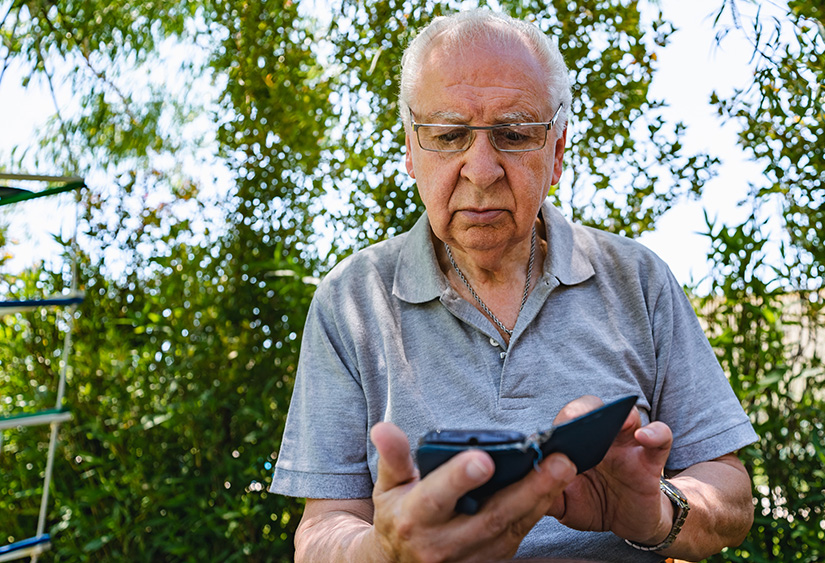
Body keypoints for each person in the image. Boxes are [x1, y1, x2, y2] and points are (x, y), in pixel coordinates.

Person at [271, 8, 758, 562]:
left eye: (514, 134)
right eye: (449, 134)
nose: (481, 169)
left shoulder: (638, 280)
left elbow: (731, 493)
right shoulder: (351, 300)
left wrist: (656, 510)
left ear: (556, 151)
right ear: (411, 148)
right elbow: (323, 527)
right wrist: (384, 553)